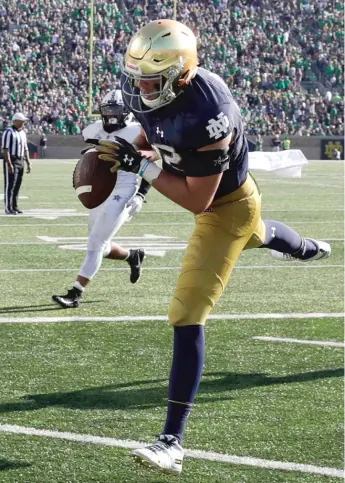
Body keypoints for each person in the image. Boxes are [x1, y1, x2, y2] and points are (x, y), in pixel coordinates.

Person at [93, 20, 331, 474]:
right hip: (238, 203)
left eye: (152, 79)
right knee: (259, 234)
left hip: (225, 207)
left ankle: (172, 442)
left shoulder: (209, 111)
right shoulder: (150, 91)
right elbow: (148, 127)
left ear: (181, 73)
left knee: (187, 312)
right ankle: (305, 248)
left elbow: (197, 201)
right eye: (137, 77)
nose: (141, 87)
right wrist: (129, 151)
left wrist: (142, 170)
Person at [52, 89, 149, 308]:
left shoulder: (136, 132)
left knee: (96, 243)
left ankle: (75, 292)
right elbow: (92, 157)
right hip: (103, 190)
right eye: (108, 110)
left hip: (124, 191)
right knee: (101, 246)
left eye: (116, 110)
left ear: (126, 112)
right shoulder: (94, 131)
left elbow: (150, 167)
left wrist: (141, 195)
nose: (112, 115)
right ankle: (132, 256)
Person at [1, 112, 31, 214]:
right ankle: (8, 208)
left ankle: (14, 206)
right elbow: (5, 149)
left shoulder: (23, 132)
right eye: (21, 121)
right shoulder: (8, 132)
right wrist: (9, 164)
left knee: (17, 184)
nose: (23, 123)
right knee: (10, 185)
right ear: (15, 121)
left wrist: (28, 161)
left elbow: (25, 148)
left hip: (20, 160)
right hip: (12, 159)